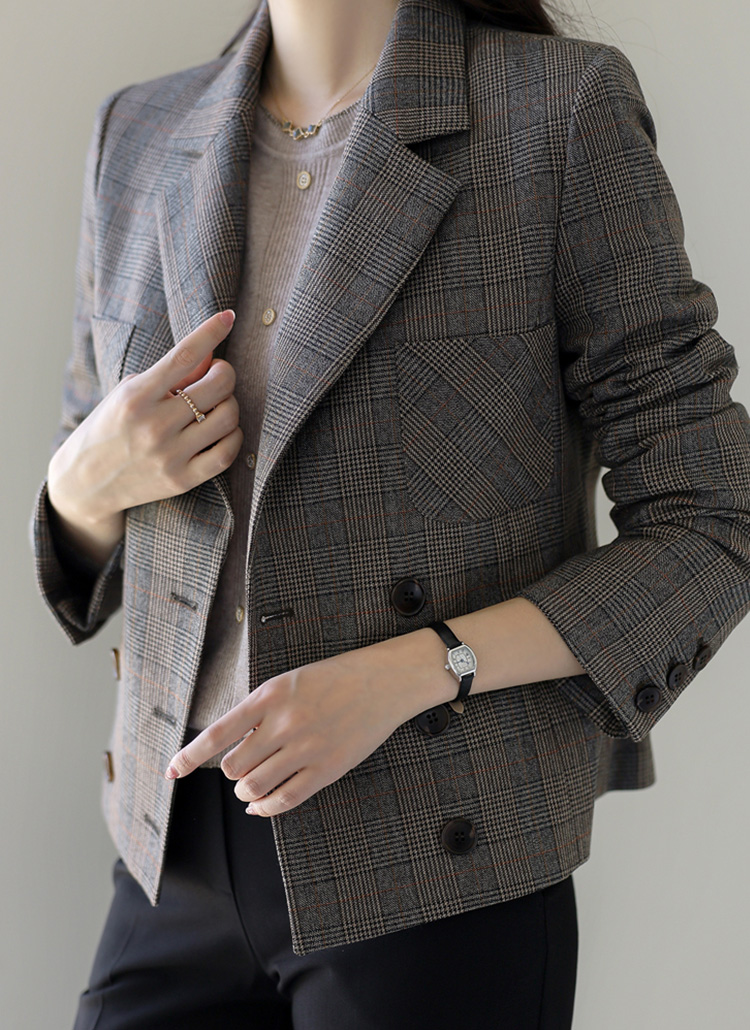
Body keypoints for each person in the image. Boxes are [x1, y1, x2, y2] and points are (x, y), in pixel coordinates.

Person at [30, 0, 750, 1027]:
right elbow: (91, 525)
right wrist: (82, 482)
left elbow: (711, 516)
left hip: (437, 860)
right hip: (169, 851)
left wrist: (418, 669)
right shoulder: (139, 132)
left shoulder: (555, 110)